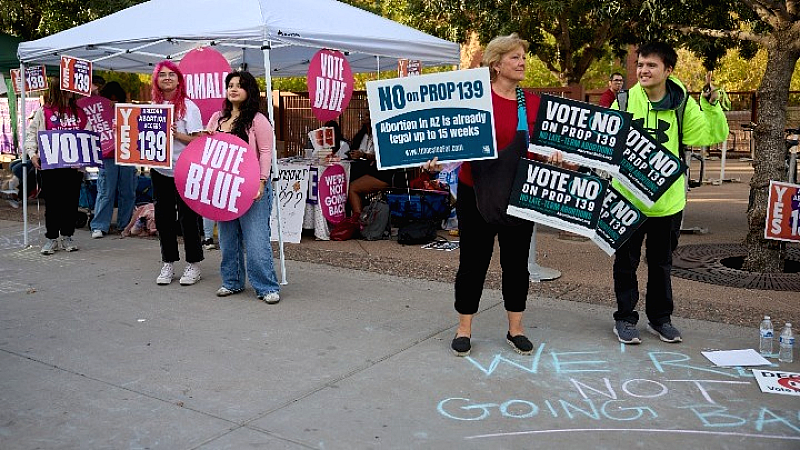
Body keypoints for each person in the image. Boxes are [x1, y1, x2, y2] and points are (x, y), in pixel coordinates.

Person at [425, 34, 566, 357]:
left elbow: (543, 147)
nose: (522, 63)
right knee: (473, 263)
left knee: (516, 265)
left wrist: (553, 155)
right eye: (515, 58)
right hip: (475, 192)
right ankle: (464, 329)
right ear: (496, 64)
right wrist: (435, 160)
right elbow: (449, 143)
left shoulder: (532, 104)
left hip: (519, 195)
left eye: (523, 58)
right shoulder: (474, 100)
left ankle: (516, 329)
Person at [610, 42, 728, 345]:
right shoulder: (623, 101)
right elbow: (606, 143)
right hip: (628, 200)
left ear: (668, 70)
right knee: (625, 263)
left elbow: (709, 135)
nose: (643, 71)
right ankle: (625, 318)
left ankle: (660, 319)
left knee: (661, 264)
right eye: (640, 65)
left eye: (651, 65)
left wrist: (711, 106)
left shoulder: (681, 103)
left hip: (668, 202)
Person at [206, 71, 281, 304]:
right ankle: (232, 282)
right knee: (228, 239)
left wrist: (260, 182)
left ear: (249, 90)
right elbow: (207, 147)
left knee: (257, 239)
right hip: (224, 187)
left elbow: (266, 152)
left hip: (252, 188)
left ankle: (266, 286)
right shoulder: (217, 118)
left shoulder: (258, 120)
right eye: (230, 85)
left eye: (239, 85)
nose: (233, 89)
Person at [149, 60, 205, 286]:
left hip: (185, 169)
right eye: (162, 75)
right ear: (156, 80)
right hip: (159, 170)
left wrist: (177, 135)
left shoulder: (189, 107)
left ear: (179, 80)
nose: (167, 78)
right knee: (163, 219)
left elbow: (199, 139)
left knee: (188, 218)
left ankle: (194, 264)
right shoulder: (152, 105)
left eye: (172, 74)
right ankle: (168, 262)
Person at [25, 79, 91, 255]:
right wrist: (33, 154)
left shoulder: (79, 112)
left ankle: (67, 236)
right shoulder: (44, 111)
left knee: (70, 203)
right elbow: (31, 135)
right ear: (57, 90)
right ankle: (51, 238)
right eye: (65, 89)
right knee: (53, 204)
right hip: (50, 167)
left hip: (73, 168)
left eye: (71, 89)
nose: (69, 92)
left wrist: (83, 159)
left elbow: (88, 135)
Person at [88, 81, 137, 238]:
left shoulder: (128, 110)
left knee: (127, 191)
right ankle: (100, 225)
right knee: (106, 191)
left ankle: (124, 224)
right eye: (111, 99)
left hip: (126, 155)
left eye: (116, 100)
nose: (114, 102)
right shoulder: (100, 113)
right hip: (109, 156)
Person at [346, 110, 402, 216]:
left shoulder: (383, 135)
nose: (364, 117)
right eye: (364, 114)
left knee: (352, 188)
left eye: (367, 115)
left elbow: (384, 156)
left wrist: (364, 156)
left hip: (380, 173)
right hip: (361, 168)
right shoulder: (361, 135)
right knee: (347, 180)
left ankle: (358, 220)